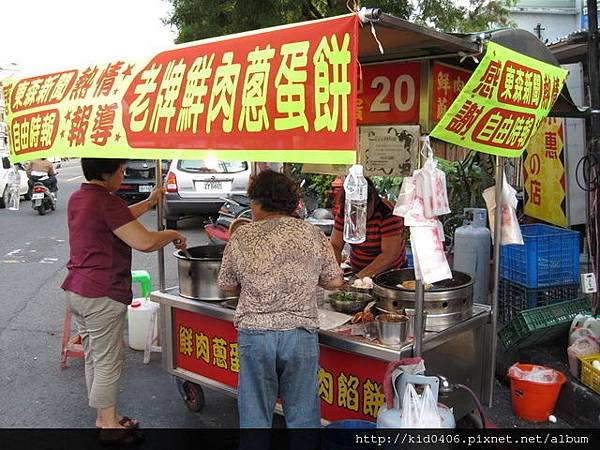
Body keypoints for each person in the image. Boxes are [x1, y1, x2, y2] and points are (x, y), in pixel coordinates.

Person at [61, 158, 187, 438]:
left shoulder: (80, 198)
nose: (123, 174)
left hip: (77, 291)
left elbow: (120, 218)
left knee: (96, 357)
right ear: (106, 174)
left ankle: (105, 416)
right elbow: (144, 242)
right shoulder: (107, 203)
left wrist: (151, 201)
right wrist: (172, 233)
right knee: (107, 360)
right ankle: (108, 425)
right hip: (101, 293)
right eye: (120, 170)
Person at [218, 170, 344, 428]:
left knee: (255, 416)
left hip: (256, 335)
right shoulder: (311, 233)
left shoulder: (242, 236)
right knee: (303, 415)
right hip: (299, 335)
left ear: (258, 202)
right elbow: (334, 281)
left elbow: (227, 285)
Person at [330, 177, 406, 279]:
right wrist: (334, 275)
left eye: (361, 210)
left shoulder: (388, 213)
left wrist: (359, 277)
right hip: (357, 270)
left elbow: (389, 254)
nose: (356, 216)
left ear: (372, 200)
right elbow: (335, 245)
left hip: (389, 274)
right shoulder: (345, 211)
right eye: (353, 211)